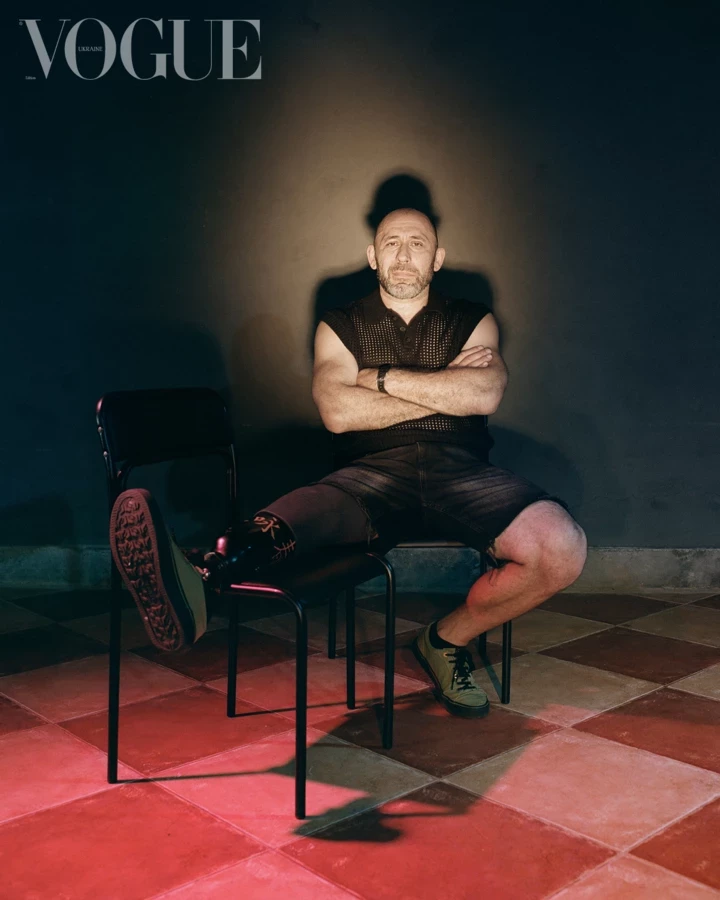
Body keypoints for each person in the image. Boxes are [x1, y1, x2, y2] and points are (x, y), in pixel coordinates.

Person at [110, 207, 587, 718]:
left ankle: (444, 640)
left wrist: (377, 378)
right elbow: (338, 413)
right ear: (373, 256)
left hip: (462, 471)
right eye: (391, 243)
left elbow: (485, 393)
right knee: (286, 523)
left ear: (437, 258)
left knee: (562, 549)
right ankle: (201, 579)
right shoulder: (340, 325)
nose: (403, 255)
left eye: (417, 244)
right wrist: (447, 389)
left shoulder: (472, 319)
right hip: (369, 474)